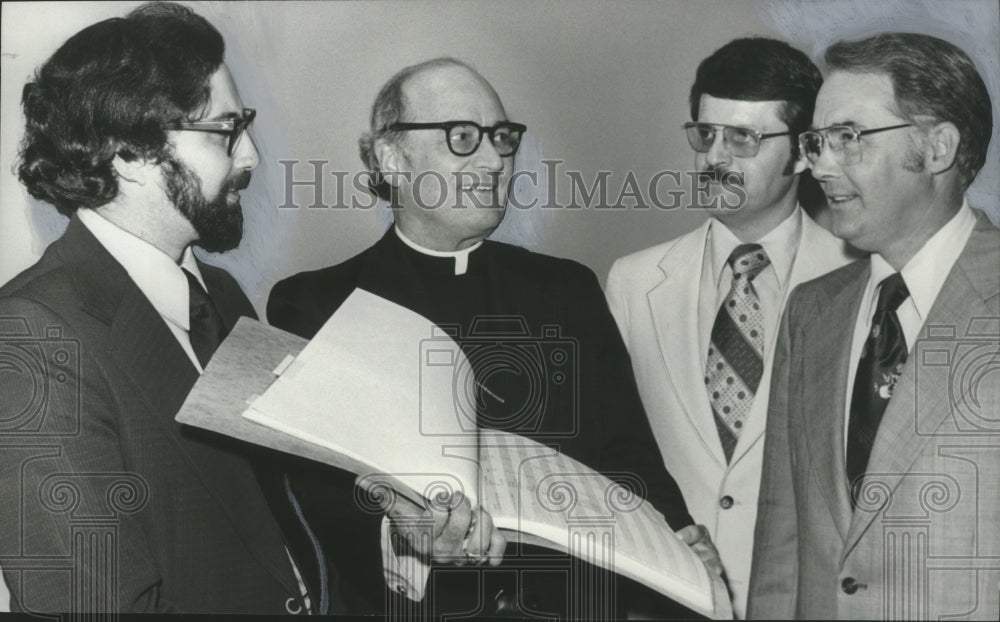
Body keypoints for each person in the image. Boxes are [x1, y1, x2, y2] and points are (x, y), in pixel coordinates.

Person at [0, 4, 491, 613]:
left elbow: (269, 506)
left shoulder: (221, 297)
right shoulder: (29, 337)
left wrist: (395, 515)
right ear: (127, 152)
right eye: (224, 131)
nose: (252, 156)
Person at [268, 57, 719, 618]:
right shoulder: (317, 304)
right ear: (392, 158)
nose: (494, 160)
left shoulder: (568, 288)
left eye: (502, 138)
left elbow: (628, 456)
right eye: (462, 138)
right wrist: (403, 533)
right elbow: (315, 496)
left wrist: (678, 536)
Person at [748, 32, 999, 620]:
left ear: (937, 147)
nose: (816, 164)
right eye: (816, 140)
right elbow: (781, 546)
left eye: (848, 138)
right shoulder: (812, 312)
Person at [604, 37, 855, 617]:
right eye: (706, 134)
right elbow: (613, 452)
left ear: (800, 154)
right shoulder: (632, 282)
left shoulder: (861, 280)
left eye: (744, 138)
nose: (716, 156)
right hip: (666, 597)